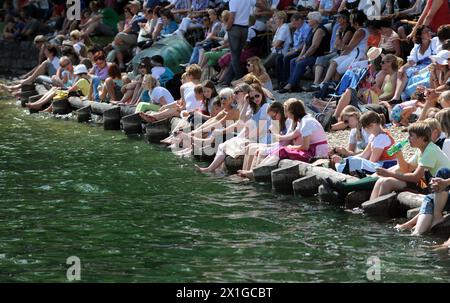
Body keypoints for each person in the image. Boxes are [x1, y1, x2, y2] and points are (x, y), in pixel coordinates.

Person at [278, 11, 329, 93]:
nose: (307, 21)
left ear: (315, 20)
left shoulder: (320, 30)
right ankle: (295, 85)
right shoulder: (312, 29)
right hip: (310, 55)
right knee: (293, 61)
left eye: (309, 19)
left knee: (300, 63)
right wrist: (300, 56)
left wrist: (304, 56)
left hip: (318, 55)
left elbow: (314, 46)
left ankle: (289, 85)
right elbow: (305, 44)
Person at [333, 111, 397, 176]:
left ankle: (346, 169)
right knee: (351, 160)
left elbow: (372, 161)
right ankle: (345, 166)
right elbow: (364, 155)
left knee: (354, 162)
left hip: (388, 166)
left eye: (364, 126)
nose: (364, 129)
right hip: (379, 164)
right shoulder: (374, 137)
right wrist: (344, 160)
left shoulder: (381, 138)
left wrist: (350, 161)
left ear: (373, 125)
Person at [25, 64, 91, 111]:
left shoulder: (82, 80)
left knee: (57, 90)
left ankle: (39, 104)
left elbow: (70, 90)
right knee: (55, 89)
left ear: (78, 74)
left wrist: (61, 89)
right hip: (81, 95)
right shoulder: (87, 79)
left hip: (81, 97)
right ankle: (38, 103)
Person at [222, 0, 253, 86]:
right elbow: (258, 3)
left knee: (235, 56)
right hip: (245, 29)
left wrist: (227, 28)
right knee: (236, 56)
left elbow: (231, 18)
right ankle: (227, 80)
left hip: (235, 28)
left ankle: (241, 79)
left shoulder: (233, 1)